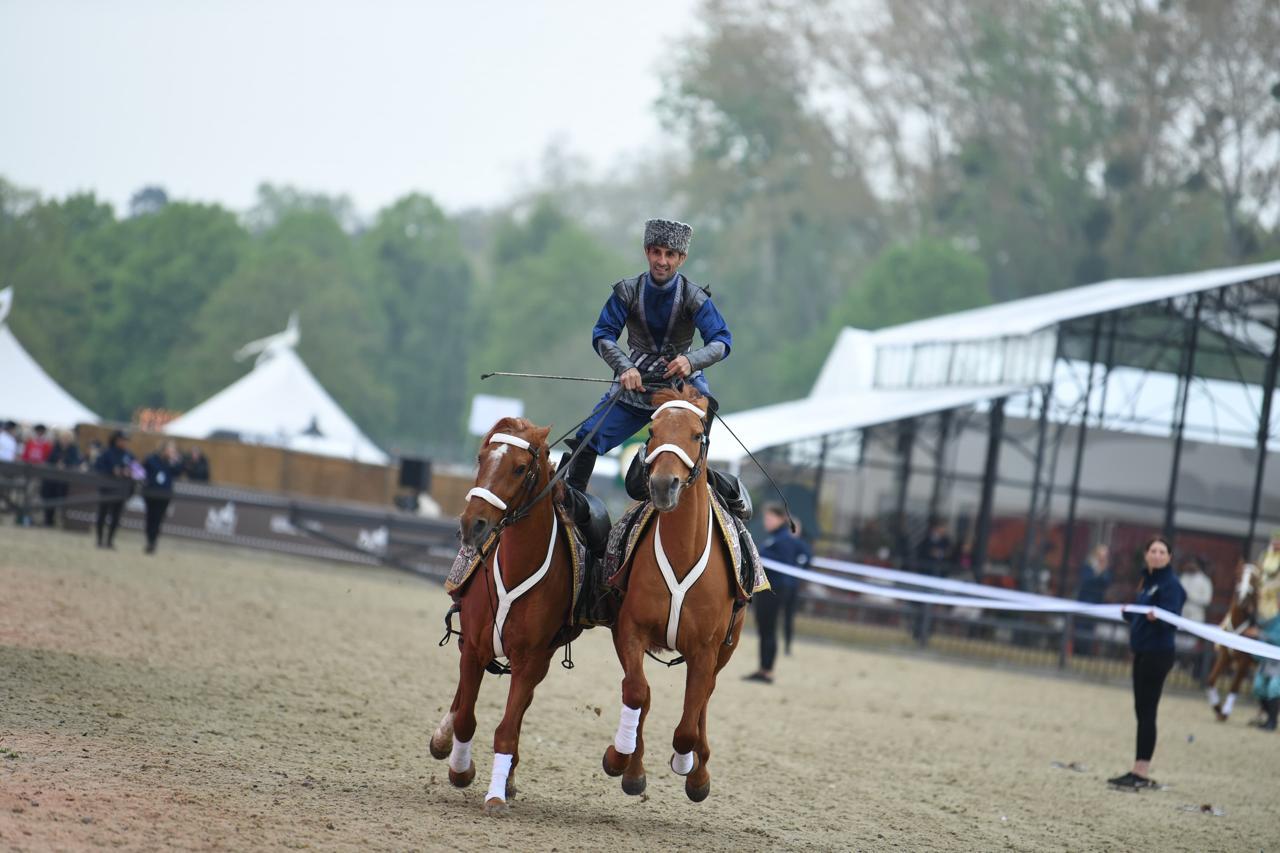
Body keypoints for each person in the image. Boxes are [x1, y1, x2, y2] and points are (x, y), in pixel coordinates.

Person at [560, 218, 741, 525]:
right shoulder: (626, 292)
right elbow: (603, 334)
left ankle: (724, 500)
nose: (662, 261)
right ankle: (567, 513)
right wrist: (625, 367)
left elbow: (722, 341)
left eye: (670, 255)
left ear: (681, 258)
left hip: (682, 391)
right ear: (647, 252)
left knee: (696, 443)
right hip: (634, 389)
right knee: (585, 440)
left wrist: (691, 361)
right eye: (656, 252)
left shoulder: (694, 297)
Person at [1108, 536, 1186, 790]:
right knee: (1141, 711)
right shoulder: (1147, 582)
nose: (1156, 555)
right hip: (1141, 652)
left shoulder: (1171, 585)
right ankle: (1136, 769)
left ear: (1169, 557)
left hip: (1158, 654)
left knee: (1147, 712)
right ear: (1146, 554)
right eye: (1152, 550)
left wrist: (1158, 618)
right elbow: (1142, 616)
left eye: (1162, 551)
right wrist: (1130, 613)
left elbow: (1172, 619)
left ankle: (1141, 773)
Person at [744, 505, 810, 684]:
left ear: (781, 519)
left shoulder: (784, 539)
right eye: (766, 518)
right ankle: (763, 668)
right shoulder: (775, 538)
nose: (767, 522)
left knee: (769, 629)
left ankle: (767, 671)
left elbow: (786, 562)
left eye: (770, 518)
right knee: (764, 629)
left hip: (776, 589)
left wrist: (760, 558)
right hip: (769, 588)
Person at [93, 431, 134, 549]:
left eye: (126, 441)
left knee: (116, 517)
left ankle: (110, 541)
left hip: (121, 490)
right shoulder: (107, 453)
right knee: (102, 514)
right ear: (116, 440)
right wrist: (111, 471)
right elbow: (98, 467)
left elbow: (139, 471)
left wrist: (129, 472)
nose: (125, 443)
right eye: (122, 440)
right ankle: (99, 539)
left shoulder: (128, 455)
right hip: (107, 488)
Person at [142, 441, 184, 554]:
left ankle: (153, 542)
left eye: (173, 450)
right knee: (150, 517)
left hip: (165, 495)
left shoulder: (172, 463)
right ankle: (149, 540)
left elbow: (179, 471)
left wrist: (176, 460)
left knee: (158, 519)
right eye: (170, 449)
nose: (171, 452)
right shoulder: (151, 459)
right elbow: (142, 470)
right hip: (151, 493)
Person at [782, 517, 814, 656]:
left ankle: (787, 646)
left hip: (792, 586)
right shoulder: (780, 542)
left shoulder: (801, 545)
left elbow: (808, 560)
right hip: (778, 586)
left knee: (789, 617)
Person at [1074, 543, 1112, 656]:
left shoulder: (1106, 570)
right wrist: (1098, 573)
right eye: (1101, 555)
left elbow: (1106, 582)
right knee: (1080, 629)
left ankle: (1086, 653)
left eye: (1105, 556)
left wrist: (1102, 572)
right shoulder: (1088, 567)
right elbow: (1086, 581)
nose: (1102, 558)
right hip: (1084, 604)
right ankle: (1078, 652)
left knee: (1090, 630)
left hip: (1096, 605)